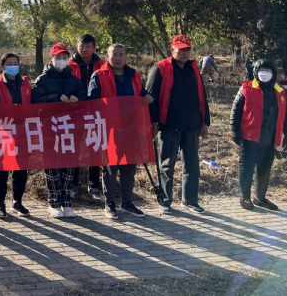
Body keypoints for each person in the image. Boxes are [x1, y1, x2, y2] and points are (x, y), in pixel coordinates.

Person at [88, 44, 154, 220]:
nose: (117, 58)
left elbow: (141, 93)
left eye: (121, 54)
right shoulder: (99, 75)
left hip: (131, 128)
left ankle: (127, 202)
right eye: (114, 54)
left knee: (129, 167)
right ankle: (109, 203)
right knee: (110, 168)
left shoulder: (134, 75)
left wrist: (147, 96)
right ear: (107, 56)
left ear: (126, 57)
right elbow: (92, 102)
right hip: (109, 129)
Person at [146, 35, 210, 214]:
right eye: (180, 49)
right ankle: (165, 201)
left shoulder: (193, 68)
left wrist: (205, 122)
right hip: (169, 125)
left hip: (192, 125)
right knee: (167, 164)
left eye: (187, 49)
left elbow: (202, 96)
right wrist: (152, 122)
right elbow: (151, 97)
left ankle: (190, 201)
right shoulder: (160, 68)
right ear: (172, 50)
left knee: (192, 165)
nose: (184, 53)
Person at [230, 59, 287, 210]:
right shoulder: (247, 88)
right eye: (262, 70)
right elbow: (236, 110)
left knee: (264, 169)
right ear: (255, 71)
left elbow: (285, 114)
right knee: (246, 167)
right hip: (249, 136)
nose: (265, 73)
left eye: (268, 71)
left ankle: (260, 198)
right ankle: (244, 197)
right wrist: (234, 130)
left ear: (274, 73)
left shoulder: (279, 90)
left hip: (270, 138)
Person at [32, 43, 86, 218]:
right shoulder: (42, 79)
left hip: (70, 128)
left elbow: (85, 98)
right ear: (51, 58)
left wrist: (77, 98)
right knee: (52, 165)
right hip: (50, 127)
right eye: (58, 57)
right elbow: (36, 100)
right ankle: (54, 203)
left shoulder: (74, 80)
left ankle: (67, 203)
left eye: (64, 57)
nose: (62, 60)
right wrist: (55, 97)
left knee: (69, 165)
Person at [0, 52, 31, 218]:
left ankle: (17, 201)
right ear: (2, 67)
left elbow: (33, 104)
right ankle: (0, 203)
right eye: (9, 64)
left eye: (15, 63)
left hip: (22, 131)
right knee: (1, 169)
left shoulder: (26, 84)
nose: (13, 66)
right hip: (2, 132)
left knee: (21, 168)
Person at [67, 34, 105, 200]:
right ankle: (73, 185)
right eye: (82, 46)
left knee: (94, 147)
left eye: (88, 46)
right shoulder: (69, 65)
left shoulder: (102, 65)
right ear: (77, 46)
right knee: (74, 148)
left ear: (94, 48)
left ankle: (94, 185)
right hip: (74, 112)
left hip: (96, 112)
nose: (85, 49)